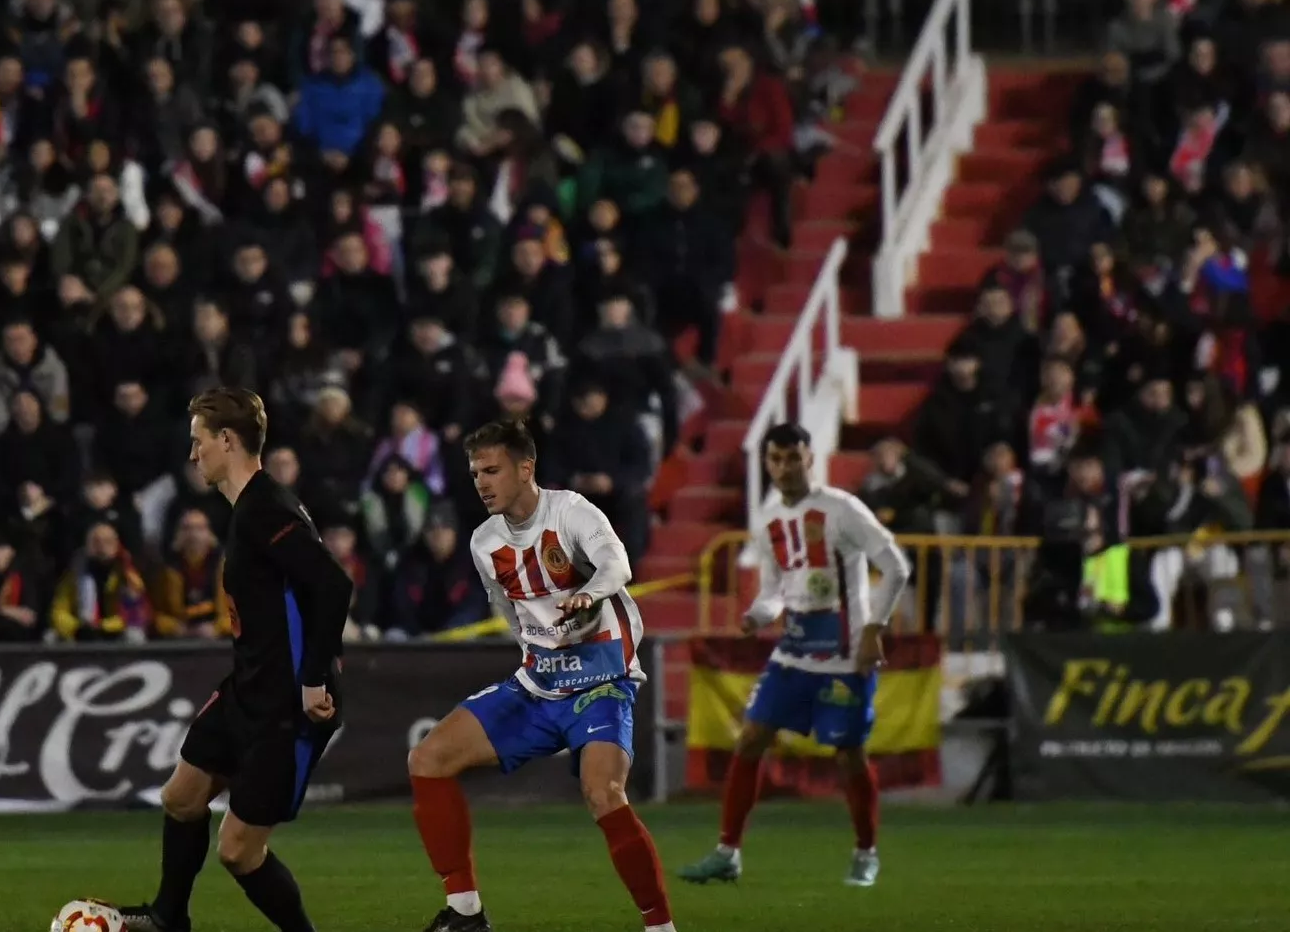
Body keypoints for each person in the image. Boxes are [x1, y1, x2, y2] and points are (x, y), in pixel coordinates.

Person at [407, 420, 675, 932]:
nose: (481, 482)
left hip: (600, 683)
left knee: (603, 793)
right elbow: (507, 611)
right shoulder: (484, 541)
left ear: (525, 469)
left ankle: (661, 928)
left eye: (492, 470)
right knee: (428, 759)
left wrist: (588, 595)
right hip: (538, 684)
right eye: (474, 473)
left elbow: (617, 566)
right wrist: (535, 651)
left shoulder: (570, 511)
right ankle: (466, 915)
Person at [121, 388, 351, 932]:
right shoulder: (248, 509)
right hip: (248, 686)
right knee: (181, 797)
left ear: (227, 440)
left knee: (239, 852)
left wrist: (316, 678)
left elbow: (333, 585)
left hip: (286, 703)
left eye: (199, 442)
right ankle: (168, 919)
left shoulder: (266, 509)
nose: (193, 455)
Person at [677, 422, 911, 889]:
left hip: (845, 654)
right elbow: (774, 591)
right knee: (750, 739)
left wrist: (872, 630)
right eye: (777, 459)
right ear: (768, 463)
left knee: (847, 755)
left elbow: (896, 566)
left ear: (810, 458)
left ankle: (866, 853)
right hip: (794, 652)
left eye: (794, 457)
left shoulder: (841, 509)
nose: (785, 467)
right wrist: (758, 614)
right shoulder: (766, 520)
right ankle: (728, 852)